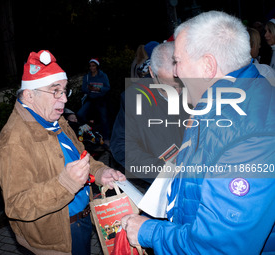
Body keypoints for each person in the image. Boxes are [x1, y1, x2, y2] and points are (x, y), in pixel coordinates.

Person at [122, 11, 275, 254]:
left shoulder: (252, 134)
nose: (175, 71)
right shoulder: (217, 107)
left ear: (207, 66)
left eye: (178, 60)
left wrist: (148, 231)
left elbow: (221, 247)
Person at [0, 50, 125, 255]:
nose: (63, 99)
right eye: (55, 91)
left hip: (81, 224)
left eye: (64, 91)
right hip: (54, 243)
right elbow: (16, 206)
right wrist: (64, 184)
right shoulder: (12, 142)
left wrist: (99, 173)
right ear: (29, 95)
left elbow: (81, 158)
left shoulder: (55, 121)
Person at [110, 42, 188, 188]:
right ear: (152, 73)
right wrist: (165, 172)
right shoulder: (134, 98)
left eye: (180, 85)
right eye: (168, 88)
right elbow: (122, 146)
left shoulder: (198, 88)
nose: (176, 93)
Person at [77, 58, 110, 145]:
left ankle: (106, 138)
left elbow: (107, 87)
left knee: (104, 118)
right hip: (90, 98)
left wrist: (98, 89)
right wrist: (89, 89)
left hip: (100, 99)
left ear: (97, 66)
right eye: (90, 66)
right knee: (80, 114)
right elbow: (83, 88)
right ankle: (87, 131)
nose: (92, 68)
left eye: (93, 66)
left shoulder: (103, 76)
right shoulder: (87, 77)